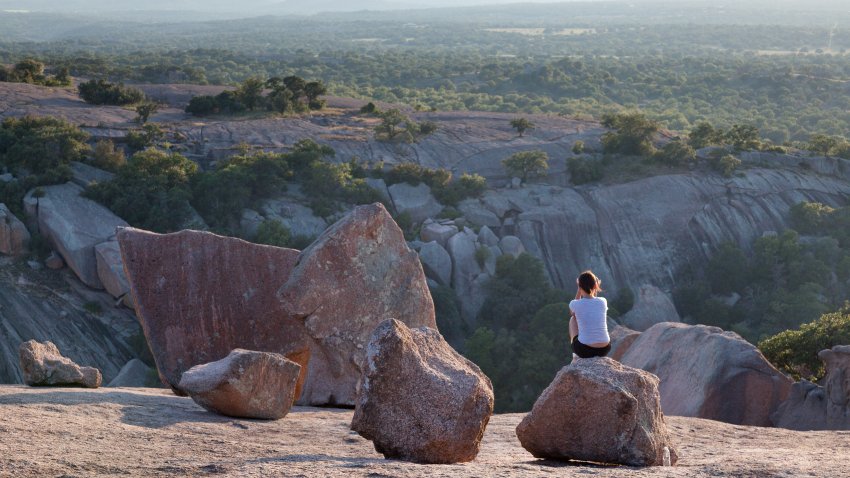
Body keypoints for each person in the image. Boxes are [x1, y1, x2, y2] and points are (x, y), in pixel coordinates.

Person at [569, 270, 611, 359]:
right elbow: (592, 302)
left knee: (573, 319)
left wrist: (579, 288)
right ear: (595, 285)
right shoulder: (603, 301)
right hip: (605, 349)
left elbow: (573, 313)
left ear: (579, 286)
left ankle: (576, 354)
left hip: (585, 350)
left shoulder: (574, 304)